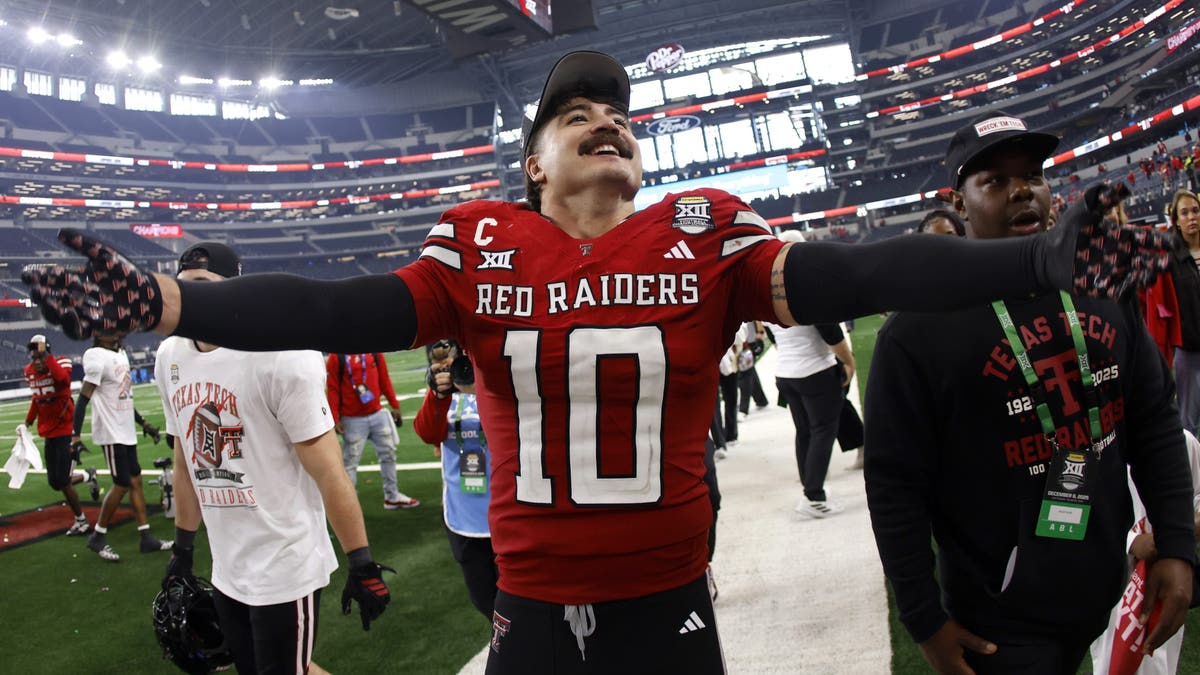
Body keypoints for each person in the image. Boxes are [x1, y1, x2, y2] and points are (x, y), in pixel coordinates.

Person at [23, 53, 1177, 674]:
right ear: (531, 164)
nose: (606, 120)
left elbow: (863, 277)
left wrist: (1041, 259)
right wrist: (179, 298)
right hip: (528, 606)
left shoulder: (707, 233)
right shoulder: (476, 245)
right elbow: (344, 303)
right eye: (575, 113)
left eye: (621, 115)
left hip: (667, 600)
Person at [864, 110, 1195, 675]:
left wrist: (1176, 541)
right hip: (998, 621)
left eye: (1033, 176)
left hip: (1103, 582)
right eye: (994, 180)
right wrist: (922, 618)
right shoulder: (917, 330)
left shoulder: (1099, 285)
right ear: (959, 202)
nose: (1022, 189)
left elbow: (1153, 420)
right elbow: (895, 486)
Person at [155, 242, 392, 674]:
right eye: (185, 288)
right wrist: (183, 550)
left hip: (286, 562)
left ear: (236, 292)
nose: (194, 301)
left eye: (205, 287)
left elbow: (328, 469)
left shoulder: (282, 352)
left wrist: (361, 560)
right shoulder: (170, 356)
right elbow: (185, 459)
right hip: (228, 563)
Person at [1088, 430, 1200, 675]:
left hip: (1165, 573)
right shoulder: (1092, 439)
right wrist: (1132, 541)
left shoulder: (1181, 441)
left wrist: (1174, 535)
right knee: (1109, 658)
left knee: (1156, 659)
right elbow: (1071, 512)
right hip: (1108, 572)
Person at [413, 338, 497, 619]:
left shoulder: (494, 382)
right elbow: (427, 433)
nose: (450, 365)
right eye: (440, 359)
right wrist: (438, 395)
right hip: (463, 514)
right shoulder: (443, 394)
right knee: (483, 596)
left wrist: (481, 385)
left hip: (507, 509)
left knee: (521, 599)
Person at [74, 329, 171, 561]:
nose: (117, 335)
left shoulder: (120, 355)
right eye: (111, 331)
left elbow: (123, 396)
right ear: (98, 334)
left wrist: (143, 423)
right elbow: (84, 397)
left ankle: (146, 536)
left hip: (126, 431)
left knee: (135, 480)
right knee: (122, 483)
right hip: (111, 432)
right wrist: (75, 435)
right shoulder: (95, 356)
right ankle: (98, 536)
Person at [766, 314, 855, 518]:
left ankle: (811, 488)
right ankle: (813, 495)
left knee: (805, 432)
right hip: (816, 370)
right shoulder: (806, 293)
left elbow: (773, 336)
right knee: (823, 432)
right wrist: (849, 362)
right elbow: (831, 333)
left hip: (786, 373)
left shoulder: (770, 297)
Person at [23, 334, 99, 535]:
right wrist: (29, 419)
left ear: (48, 352)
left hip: (67, 430)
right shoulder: (30, 371)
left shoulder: (60, 363)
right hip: (49, 431)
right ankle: (86, 475)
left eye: (41, 356)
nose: (37, 361)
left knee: (63, 481)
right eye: (35, 357)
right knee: (55, 482)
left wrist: (47, 358)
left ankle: (81, 520)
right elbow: (37, 398)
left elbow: (63, 381)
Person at [325, 351, 420, 510]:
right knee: (350, 462)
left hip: (377, 413)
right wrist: (334, 417)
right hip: (352, 418)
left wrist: (394, 403)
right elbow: (333, 388)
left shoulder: (373, 351)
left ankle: (392, 495)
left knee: (388, 454)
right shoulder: (336, 356)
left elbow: (384, 378)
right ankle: (349, 502)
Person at [1165, 189, 1200, 434]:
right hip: (1188, 349)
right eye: (1184, 213)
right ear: (1176, 219)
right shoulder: (1170, 256)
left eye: (1195, 211)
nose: (1191, 217)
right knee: (1189, 423)